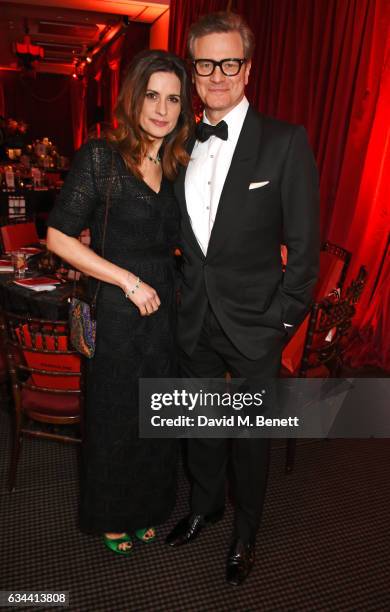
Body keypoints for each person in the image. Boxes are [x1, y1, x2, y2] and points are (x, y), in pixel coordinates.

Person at [165, 12, 320, 585]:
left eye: (231, 63)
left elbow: (304, 253)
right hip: (195, 318)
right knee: (201, 426)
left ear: (248, 69)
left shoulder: (285, 142)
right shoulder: (179, 142)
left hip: (257, 323)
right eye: (206, 64)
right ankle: (205, 508)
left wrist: (281, 321)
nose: (219, 75)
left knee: (250, 438)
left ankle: (246, 532)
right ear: (195, 71)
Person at [47, 49, 194, 555]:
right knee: (114, 416)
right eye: (152, 95)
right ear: (134, 98)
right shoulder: (100, 157)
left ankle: (148, 507)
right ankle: (112, 515)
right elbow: (58, 238)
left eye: (173, 99)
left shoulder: (177, 164)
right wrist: (127, 282)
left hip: (164, 309)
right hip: (116, 305)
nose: (162, 108)